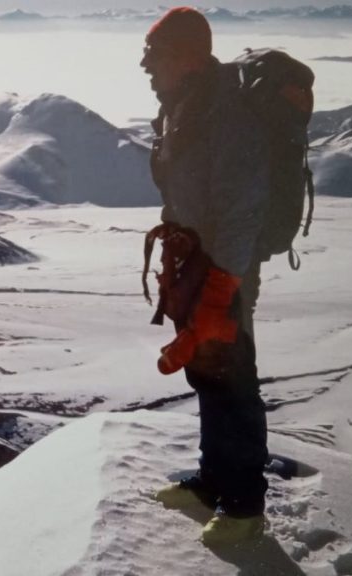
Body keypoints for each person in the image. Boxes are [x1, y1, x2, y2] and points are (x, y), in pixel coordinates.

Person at [141, 7, 270, 546]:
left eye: (155, 56)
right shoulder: (185, 107)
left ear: (187, 57)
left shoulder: (225, 113)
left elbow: (243, 208)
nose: (146, 67)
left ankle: (244, 507)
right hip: (196, 265)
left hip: (224, 270)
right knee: (207, 372)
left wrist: (222, 287)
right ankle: (213, 480)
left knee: (232, 376)